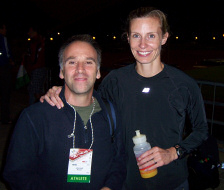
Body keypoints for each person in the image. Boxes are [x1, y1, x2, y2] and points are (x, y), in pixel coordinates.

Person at [40, 7, 208, 190]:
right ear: (128, 39)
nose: (143, 44)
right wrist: (62, 92)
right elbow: (90, 110)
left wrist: (173, 152)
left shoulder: (184, 84)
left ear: (164, 37)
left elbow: (201, 130)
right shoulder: (114, 81)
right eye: (136, 36)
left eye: (151, 36)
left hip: (172, 183)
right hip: (124, 182)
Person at [3, 34, 126, 190]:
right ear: (61, 71)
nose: (80, 69)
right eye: (72, 62)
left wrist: (109, 187)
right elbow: (16, 174)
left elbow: (119, 161)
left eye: (88, 62)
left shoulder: (111, 113)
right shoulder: (34, 116)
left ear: (98, 72)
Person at [24, 26, 47, 104]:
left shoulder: (36, 42)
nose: (28, 33)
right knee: (38, 90)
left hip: (37, 68)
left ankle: (36, 110)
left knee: (35, 91)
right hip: (41, 68)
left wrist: (28, 58)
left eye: (30, 31)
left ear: (34, 31)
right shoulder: (41, 40)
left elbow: (34, 57)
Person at [0, 22, 14, 124]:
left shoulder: (4, 39)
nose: (6, 31)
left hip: (4, 68)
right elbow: (5, 53)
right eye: (4, 28)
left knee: (4, 94)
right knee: (4, 93)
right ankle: (4, 118)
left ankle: (4, 117)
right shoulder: (2, 39)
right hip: (3, 69)